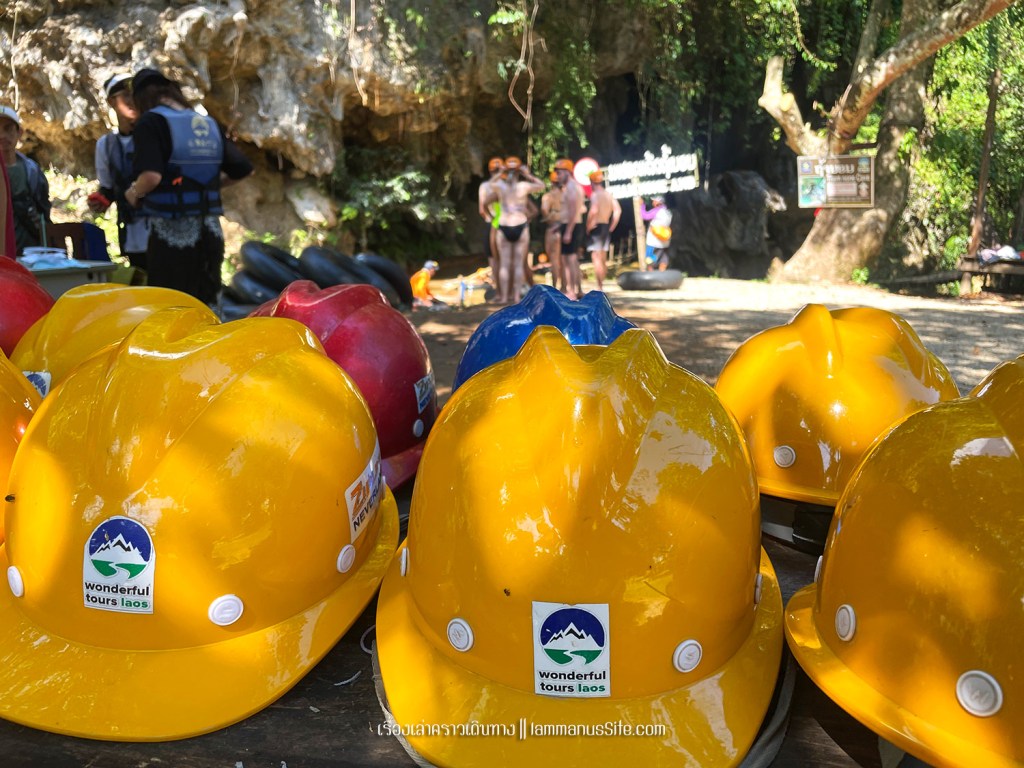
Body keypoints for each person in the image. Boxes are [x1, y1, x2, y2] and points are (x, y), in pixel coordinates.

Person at [125, 68, 253, 304]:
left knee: (170, 304)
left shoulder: (151, 122)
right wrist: (210, 187)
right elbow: (243, 168)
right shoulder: (208, 123)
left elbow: (151, 177)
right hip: (210, 231)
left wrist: (133, 193)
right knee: (207, 300)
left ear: (140, 98)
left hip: (171, 237)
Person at [88, 73, 150, 271]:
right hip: (132, 233)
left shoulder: (156, 136)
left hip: (163, 230)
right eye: (125, 95)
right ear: (111, 102)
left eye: (135, 94)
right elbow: (108, 188)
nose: (132, 100)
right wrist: (100, 201)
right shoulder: (106, 145)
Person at [485, 156, 544, 304]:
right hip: (520, 224)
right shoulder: (523, 186)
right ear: (518, 172)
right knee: (518, 264)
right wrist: (527, 174)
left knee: (504, 264)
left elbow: (490, 184)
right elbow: (541, 185)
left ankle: (505, 297)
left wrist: (501, 172)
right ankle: (516, 297)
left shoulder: (500, 186)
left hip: (504, 225)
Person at [1, 106, 51, 255]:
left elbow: (43, 211)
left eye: (8, 129)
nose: (2, 135)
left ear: (19, 133)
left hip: (31, 254)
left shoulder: (32, 171)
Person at [553, 158, 584, 299]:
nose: (558, 176)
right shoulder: (572, 186)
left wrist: (568, 231)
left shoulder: (572, 187)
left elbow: (573, 211)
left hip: (571, 225)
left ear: (567, 172)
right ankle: (577, 289)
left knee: (569, 259)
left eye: (559, 173)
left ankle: (572, 290)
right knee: (571, 259)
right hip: (570, 225)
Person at [585, 168, 621, 291]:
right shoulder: (608, 194)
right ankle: (602, 285)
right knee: (603, 257)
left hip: (596, 227)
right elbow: (618, 211)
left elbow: (594, 210)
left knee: (596, 257)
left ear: (591, 182)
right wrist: (612, 226)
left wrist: (588, 225)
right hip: (605, 226)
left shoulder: (595, 195)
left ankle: (599, 287)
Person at [478, 157, 504, 295]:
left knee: (493, 258)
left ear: (490, 171)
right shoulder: (507, 185)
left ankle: (497, 287)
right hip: (508, 224)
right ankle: (509, 288)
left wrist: (492, 218)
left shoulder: (485, 186)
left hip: (492, 223)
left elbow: (482, 210)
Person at [541, 171, 564, 290]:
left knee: (554, 260)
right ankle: (565, 287)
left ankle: (555, 288)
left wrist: (550, 220)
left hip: (553, 228)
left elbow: (544, 209)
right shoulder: (566, 195)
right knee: (564, 259)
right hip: (565, 227)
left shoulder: (548, 196)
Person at [640, 194, 672, 271]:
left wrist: (642, 206)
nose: (652, 202)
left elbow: (645, 216)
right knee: (663, 257)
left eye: (653, 201)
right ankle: (662, 273)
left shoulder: (657, 211)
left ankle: (651, 274)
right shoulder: (668, 212)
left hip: (654, 240)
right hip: (664, 240)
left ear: (658, 202)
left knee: (649, 258)